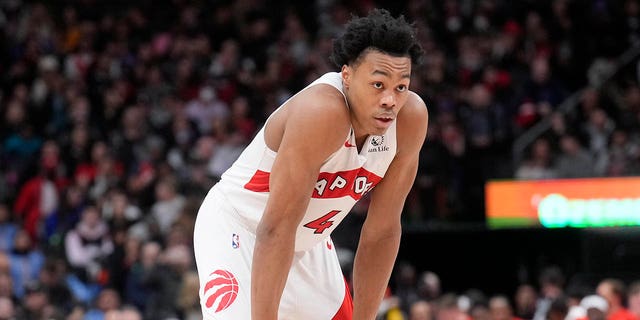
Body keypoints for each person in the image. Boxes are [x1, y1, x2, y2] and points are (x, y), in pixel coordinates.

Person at [193, 8, 427, 320]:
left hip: (306, 242)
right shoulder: (321, 113)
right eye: (378, 84)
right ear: (347, 75)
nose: (390, 100)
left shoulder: (410, 119)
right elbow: (275, 229)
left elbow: (382, 231)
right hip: (241, 228)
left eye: (400, 86)